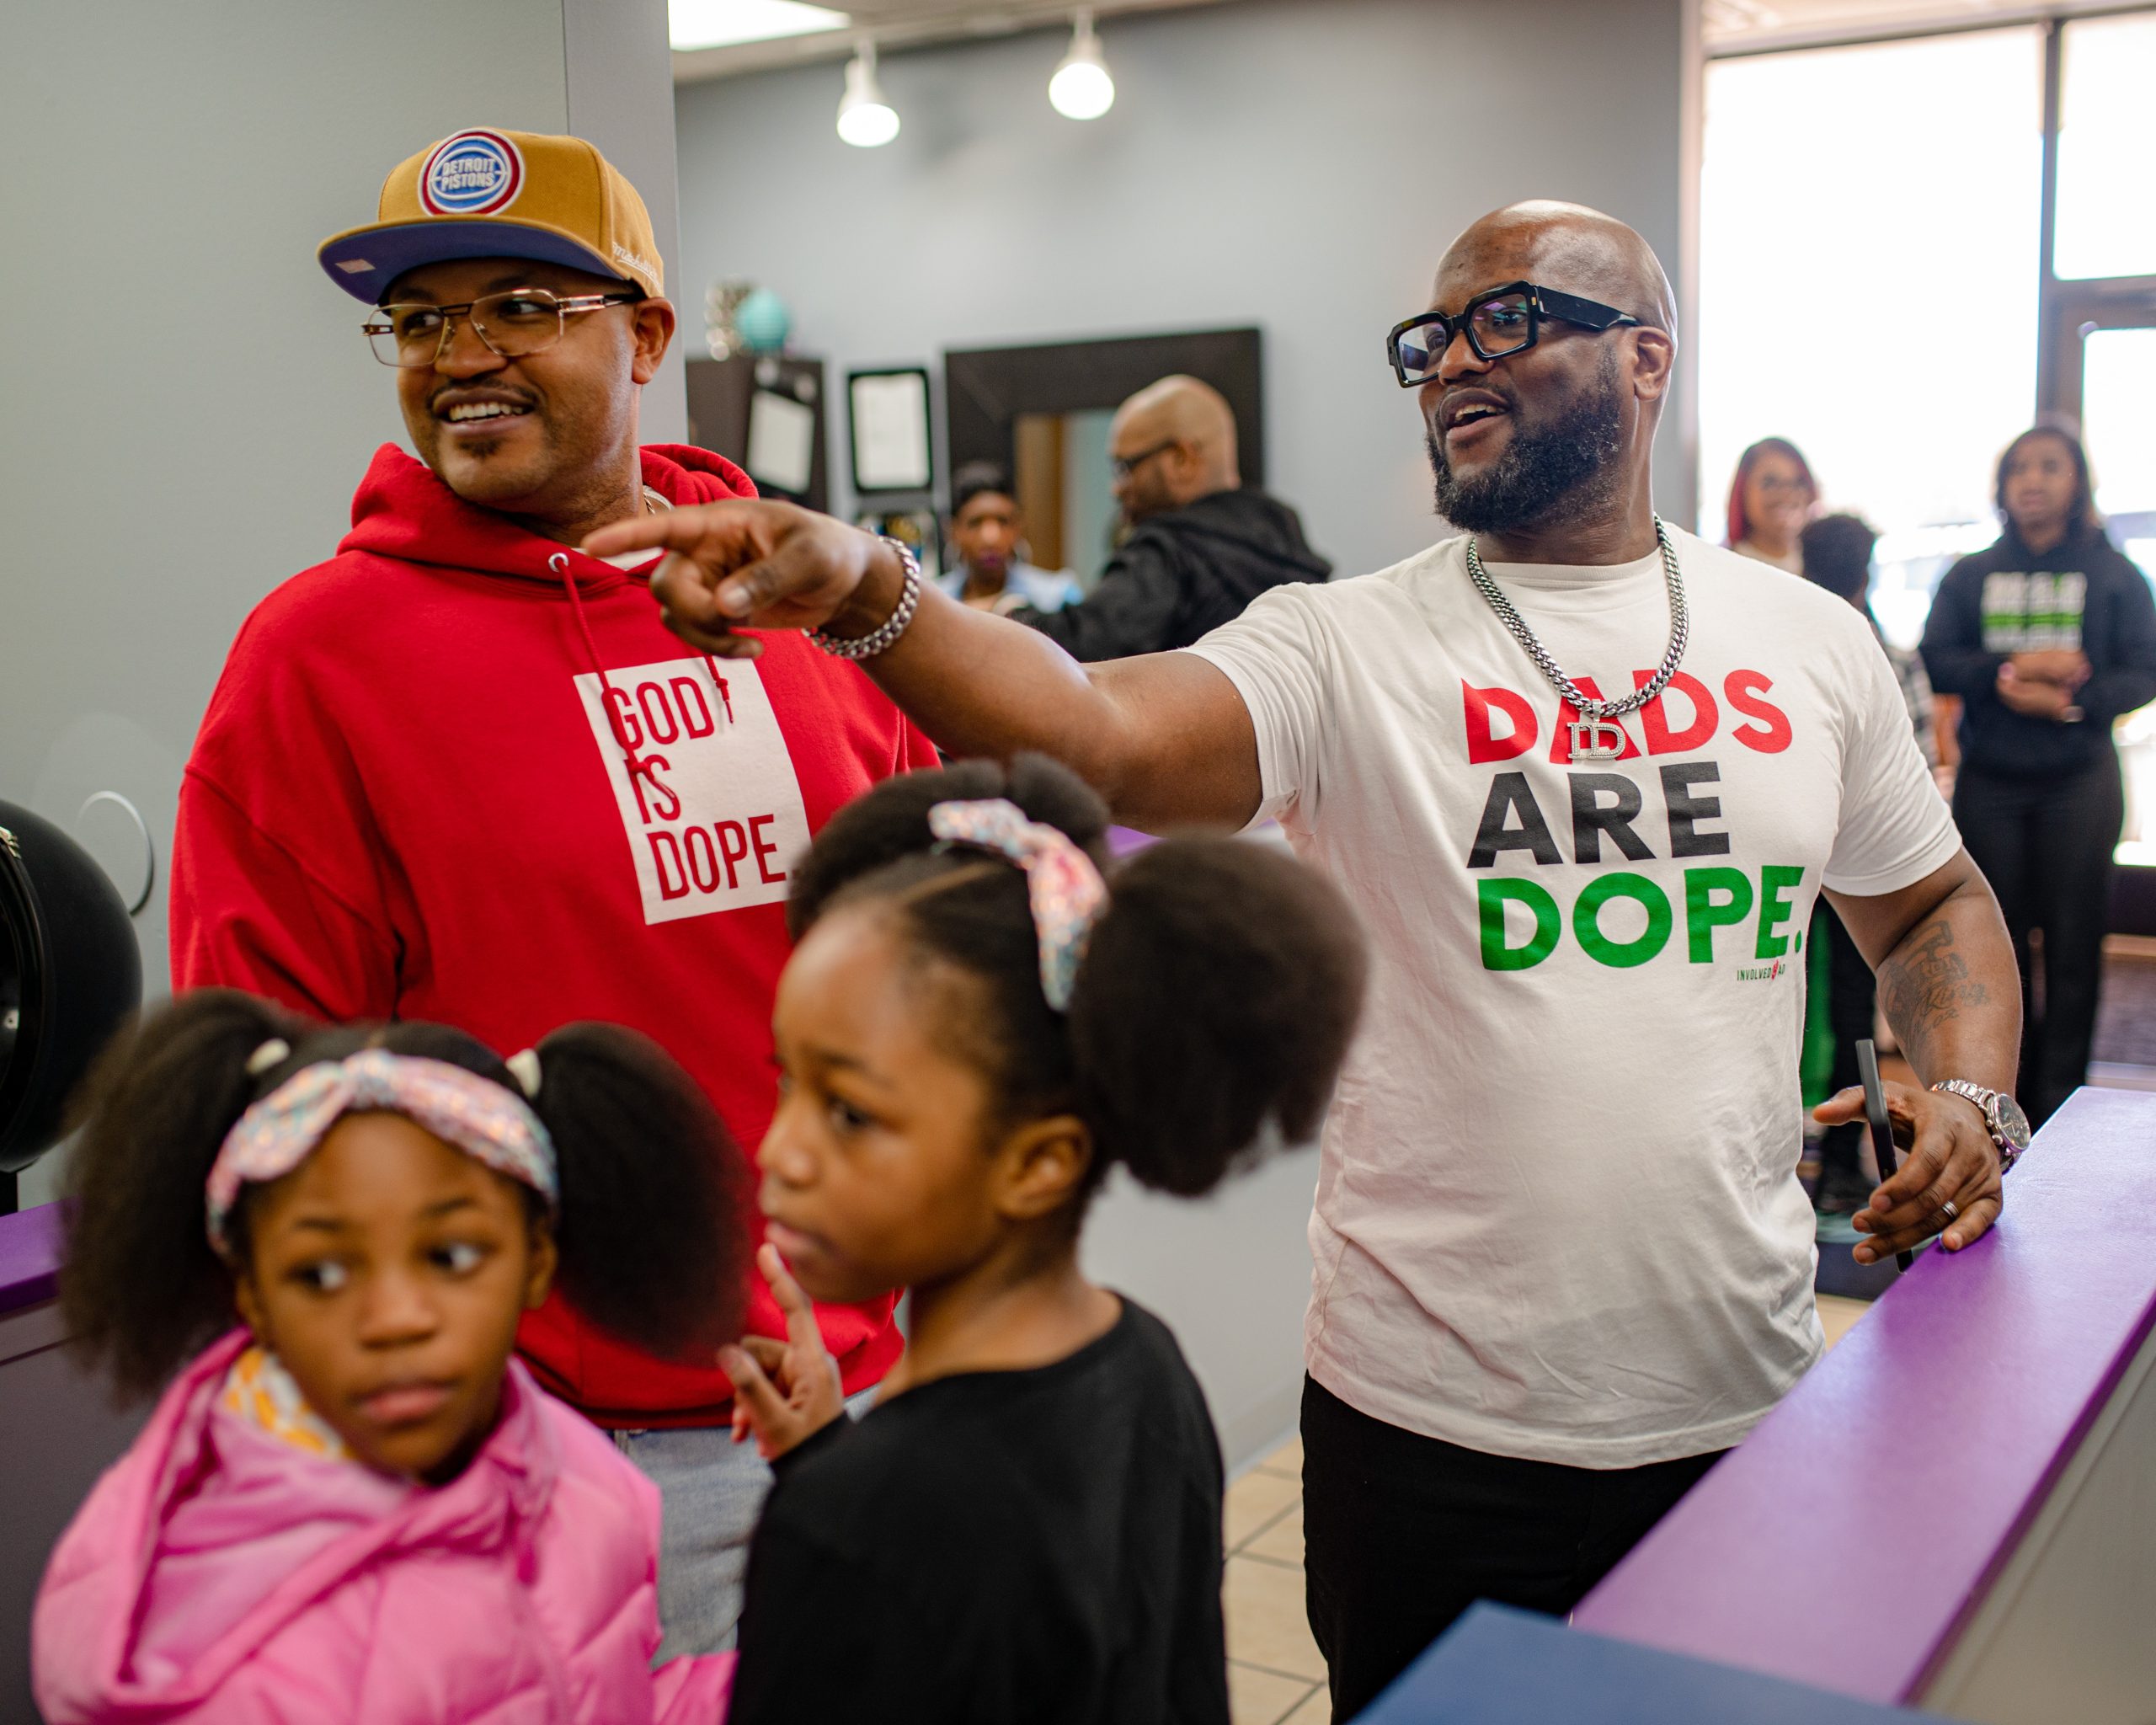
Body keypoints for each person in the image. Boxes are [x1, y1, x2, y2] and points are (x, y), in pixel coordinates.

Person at [599, 198, 2028, 1722]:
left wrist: (1966, 1091)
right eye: (1431, 340)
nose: (1452, 363)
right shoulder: (1342, 647)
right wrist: (873, 592)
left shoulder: (1808, 642)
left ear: (1647, 358)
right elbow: (1093, 728)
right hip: (1428, 1430)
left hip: (1741, 1401)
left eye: (1508, 320)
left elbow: (1931, 906)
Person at [168, 128, 938, 1653]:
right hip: (550, 1460)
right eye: (422, 320)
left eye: (522, 307)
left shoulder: (801, 610)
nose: (464, 358)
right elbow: (273, 1103)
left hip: (866, 1399)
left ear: (645, 335)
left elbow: (938, 977)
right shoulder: (315, 663)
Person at [711, 754, 1366, 1723]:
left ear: (1038, 1161)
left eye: (848, 1111)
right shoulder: (1145, 1368)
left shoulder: (847, 1525)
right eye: (788, 1082)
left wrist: (834, 1486)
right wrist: (822, 1456)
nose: (779, 1150)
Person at [33, 991, 748, 1723]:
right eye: (321, 1273)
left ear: (537, 1259)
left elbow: (610, 1695)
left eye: (452, 1256)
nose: (395, 1320)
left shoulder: (583, 1481)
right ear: (250, 1293)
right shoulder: (236, 1672)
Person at [1921, 425, 2156, 1124]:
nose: (2033, 480)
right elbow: (1937, 658)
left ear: (2076, 481)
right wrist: (2010, 672)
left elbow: (2146, 669)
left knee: (2076, 944)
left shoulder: (2113, 573)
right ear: (2002, 486)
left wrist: (2075, 701)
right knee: (1997, 945)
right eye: (2020, 468)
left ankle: (2064, 1107)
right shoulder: (1971, 573)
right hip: (1992, 783)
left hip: (2079, 783)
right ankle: (2006, 1102)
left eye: (2050, 467)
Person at [1798, 512, 1942, 1214]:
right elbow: (1922, 766)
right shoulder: (1882, 653)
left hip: (1818, 851)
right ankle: (1839, 1162)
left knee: (1800, 1004)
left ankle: (1818, 1154)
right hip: (1850, 853)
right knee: (1849, 1011)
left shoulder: (1791, 646)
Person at [1004, 375, 1331, 659]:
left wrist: (1007, 615)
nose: (1116, 489)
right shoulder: (1287, 538)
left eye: (1125, 467)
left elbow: (1079, 645)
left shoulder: (1169, 550)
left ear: (1181, 459)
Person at [936, 461, 1082, 613]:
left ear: (1018, 527)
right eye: (975, 523)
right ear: (953, 531)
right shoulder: (932, 604)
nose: (991, 538)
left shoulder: (1057, 598)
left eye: (1003, 521)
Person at [1725, 436, 1817, 574]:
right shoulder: (1721, 568)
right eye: (1770, 483)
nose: (1788, 495)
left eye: (1798, 483)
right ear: (1742, 491)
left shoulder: (1824, 569)